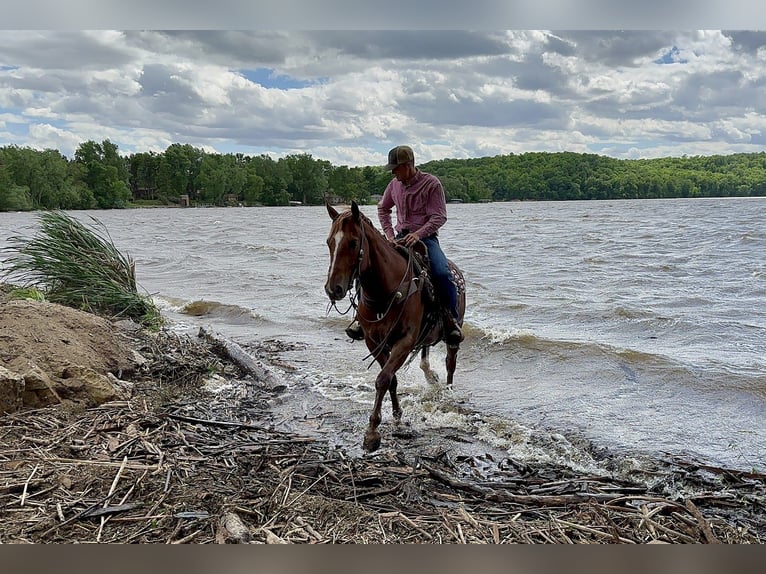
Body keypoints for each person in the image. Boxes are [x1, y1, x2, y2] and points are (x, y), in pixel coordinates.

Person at [345, 145, 463, 345]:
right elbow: (383, 209)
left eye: (396, 168)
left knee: (442, 273)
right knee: (365, 267)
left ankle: (450, 320)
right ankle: (361, 317)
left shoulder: (431, 184)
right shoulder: (394, 185)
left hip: (426, 239)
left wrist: (418, 234)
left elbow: (439, 216)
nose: (393, 172)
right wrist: (390, 235)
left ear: (408, 166)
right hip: (399, 237)